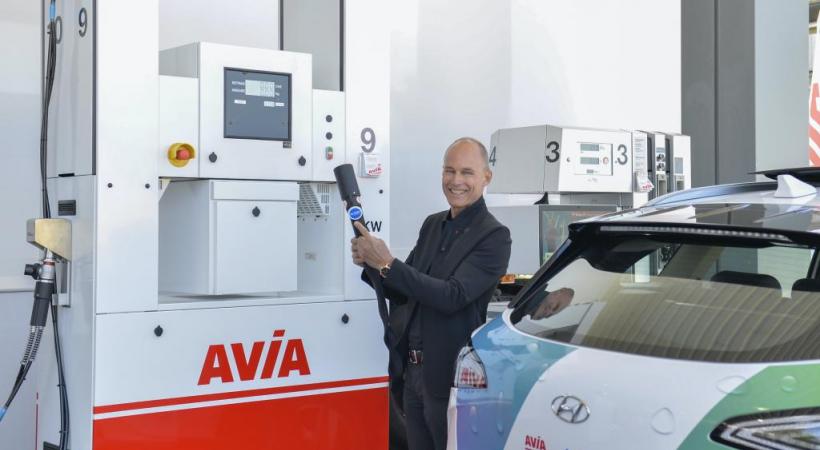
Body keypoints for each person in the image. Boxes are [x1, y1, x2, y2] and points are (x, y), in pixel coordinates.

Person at [351, 137, 512, 450]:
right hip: (412, 373)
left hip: (448, 379)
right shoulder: (432, 224)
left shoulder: (494, 236)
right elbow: (404, 291)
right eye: (449, 171)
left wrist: (386, 262)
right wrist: (372, 265)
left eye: (467, 172)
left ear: (486, 178)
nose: (456, 181)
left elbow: (450, 296)